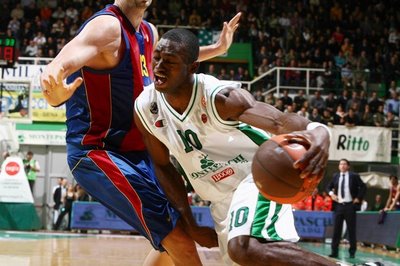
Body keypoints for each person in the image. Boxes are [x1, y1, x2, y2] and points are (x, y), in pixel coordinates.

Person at [40, 1, 241, 265]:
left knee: (174, 240)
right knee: (178, 238)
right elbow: (59, 65)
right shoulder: (107, 27)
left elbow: (172, 62)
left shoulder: (149, 32)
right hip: (98, 152)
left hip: (138, 152)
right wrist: (54, 89)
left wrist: (218, 48)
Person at [134, 28, 334, 266]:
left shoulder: (220, 98)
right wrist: (190, 224)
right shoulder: (146, 107)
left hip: (257, 177)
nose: (158, 67)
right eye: (156, 58)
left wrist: (318, 130)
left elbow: (279, 121)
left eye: (170, 62)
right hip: (219, 199)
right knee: (251, 256)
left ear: (192, 67)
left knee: (243, 248)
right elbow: (162, 165)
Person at [326, 159, 366, 259]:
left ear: (348, 166)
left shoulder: (354, 176)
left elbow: (363, 187)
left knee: (351, 230)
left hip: (350, 206)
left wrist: (358, 198)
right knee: (336, 230)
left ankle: (352, 252)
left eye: (344, 164)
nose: (342, 166)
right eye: (341, 164)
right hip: (339, 206)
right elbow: (328, 187)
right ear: (339, 166)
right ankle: (334, 252)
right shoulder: (336, 176)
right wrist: (331, 194)